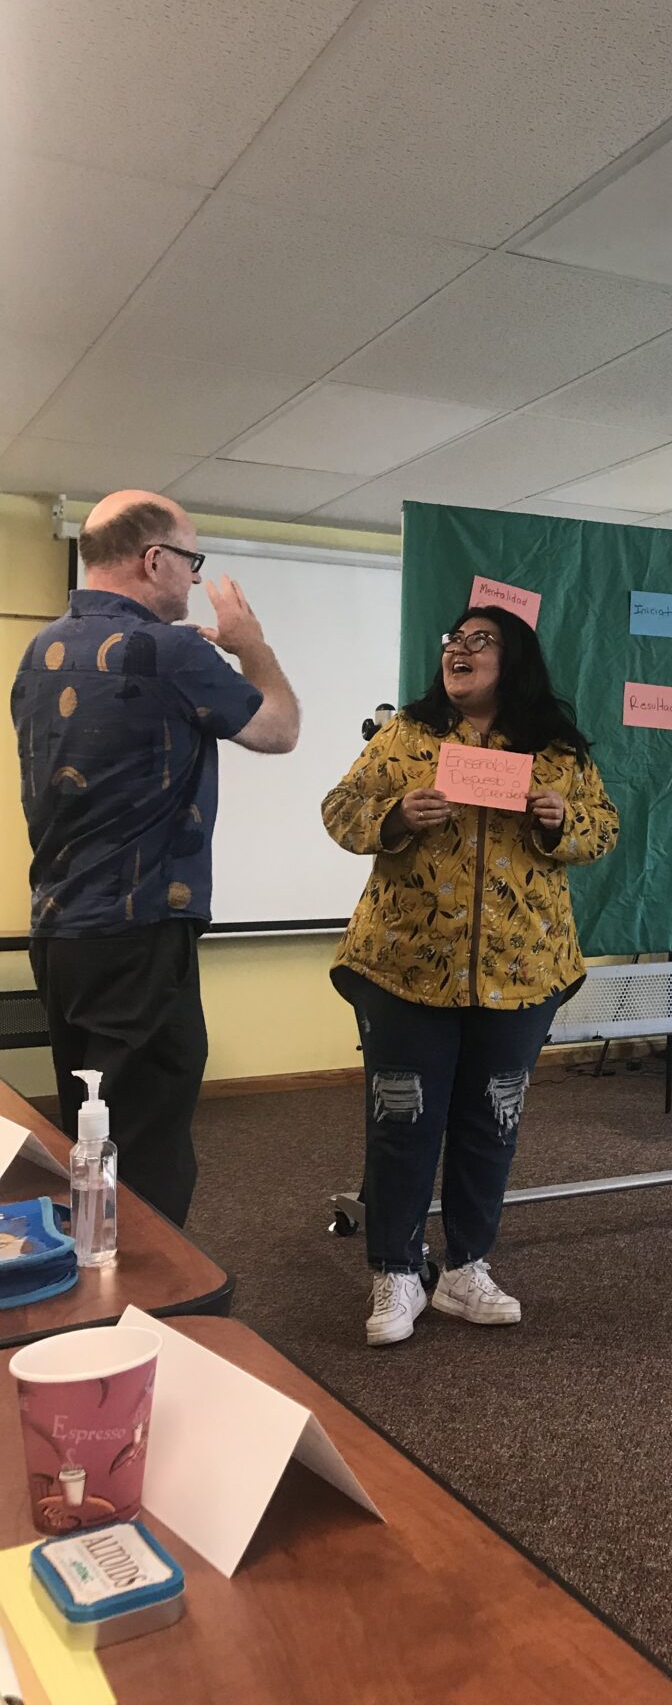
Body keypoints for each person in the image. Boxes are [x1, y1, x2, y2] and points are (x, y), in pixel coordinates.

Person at [322, 603, 619, 1348]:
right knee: (403, 1118)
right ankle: (396, 1267)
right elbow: (340, 810)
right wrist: (394, 814)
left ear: (512, 657)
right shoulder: (407, 736)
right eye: (453, 638)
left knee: (492, 1121)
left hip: (523, 968)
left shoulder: (555, 749)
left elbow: (604, 827)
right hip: (404, 965)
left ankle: (467, 1267)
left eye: (479, 640)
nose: (459, 648)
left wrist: (561, 820)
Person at [11, 491, 300, 1224]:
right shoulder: (172, 652)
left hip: (60, 932)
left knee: (92, 1127)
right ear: (154, 559)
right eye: (191, 561)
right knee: (147, 1142)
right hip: (138, 936)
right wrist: (250, 643)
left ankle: (91, 1278)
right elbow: (280, 730)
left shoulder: (40, 648)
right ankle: (147, 1308)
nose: (192, 577)